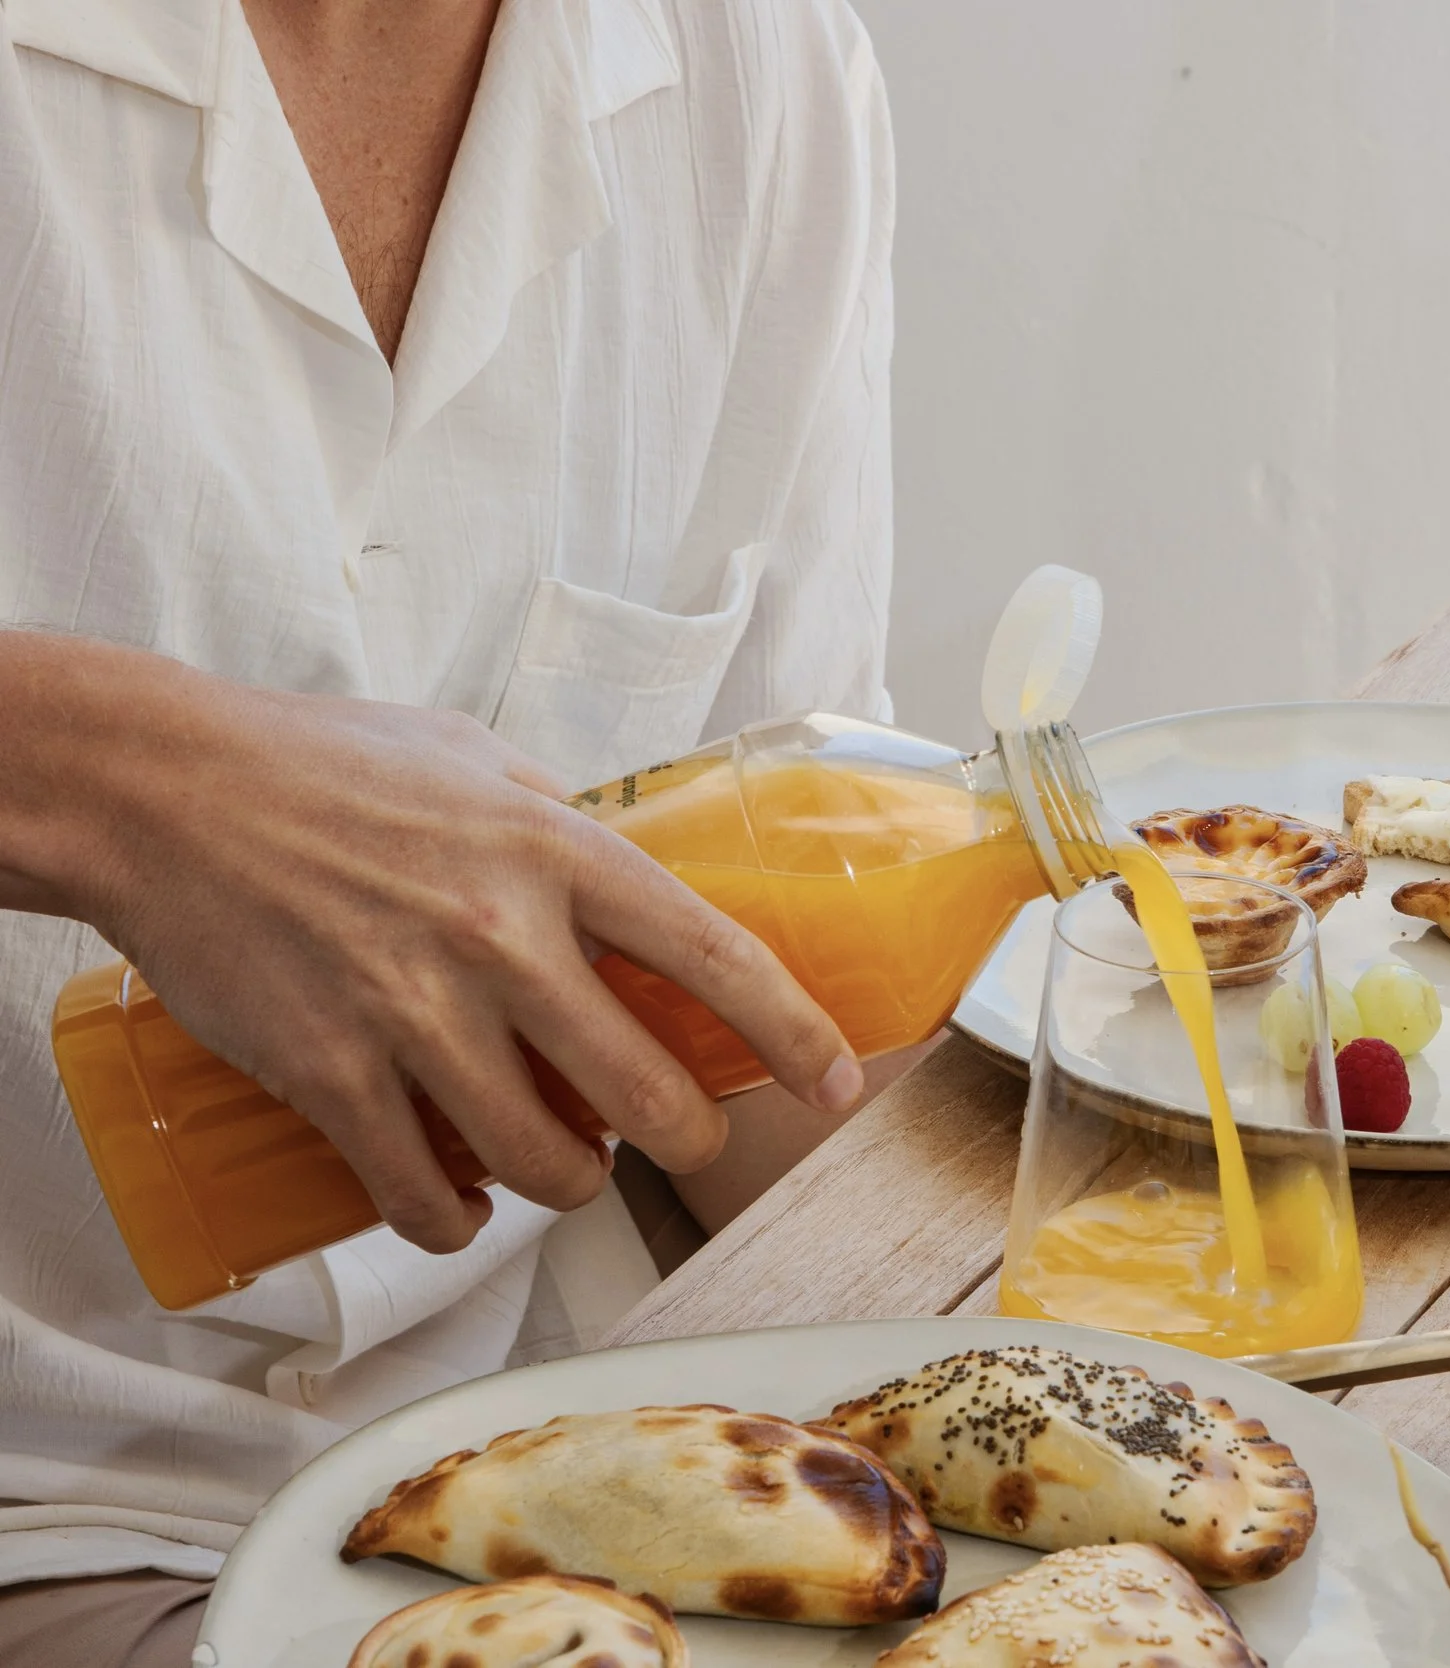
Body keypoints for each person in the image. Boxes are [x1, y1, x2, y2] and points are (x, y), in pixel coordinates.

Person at [0, 0, 895, 1662]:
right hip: (40, 1512)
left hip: (571, 1466)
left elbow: (773, 1009)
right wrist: (117, 777)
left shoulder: (754, 64)